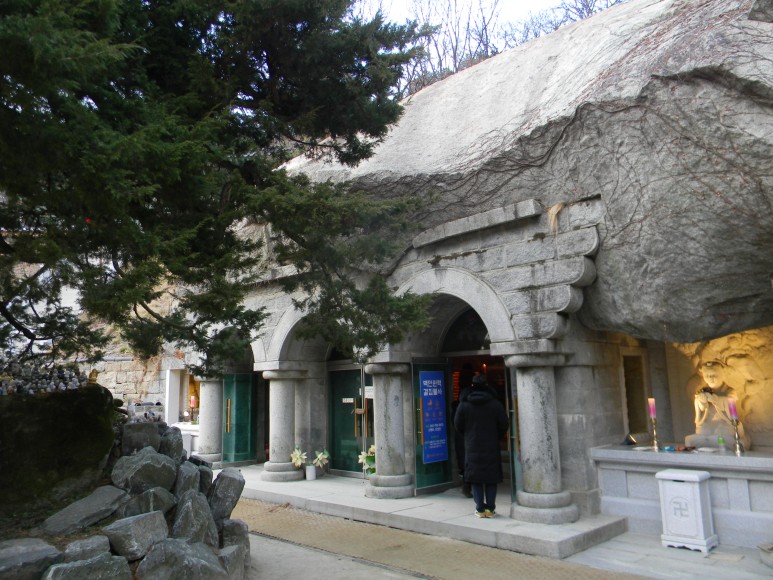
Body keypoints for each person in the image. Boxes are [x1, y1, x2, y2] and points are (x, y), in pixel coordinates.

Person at [453, 374, 509, 518]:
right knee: (491, 479)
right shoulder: (495, 404)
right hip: (491, 446)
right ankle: (490, 509)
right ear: (486, 386)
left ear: (472, 385)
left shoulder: (464, 404)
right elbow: (504, 424)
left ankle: (480, 508)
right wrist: (496, 436)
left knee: (475, 479)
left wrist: (468, 435)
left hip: (472, 445)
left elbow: (457, 425)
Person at [686, 360, 751, 449]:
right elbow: (701, 409)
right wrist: (701, 401)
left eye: (714, 375)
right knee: (703, 431)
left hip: (725, 423)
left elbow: (730, 402)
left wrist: (716, 400)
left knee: (722, 432)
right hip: (709, 423)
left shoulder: (729, 390)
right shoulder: (703, 391)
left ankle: (722, 441)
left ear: (722, 375)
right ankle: (709, 441)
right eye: (707, 376)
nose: (711, 378)